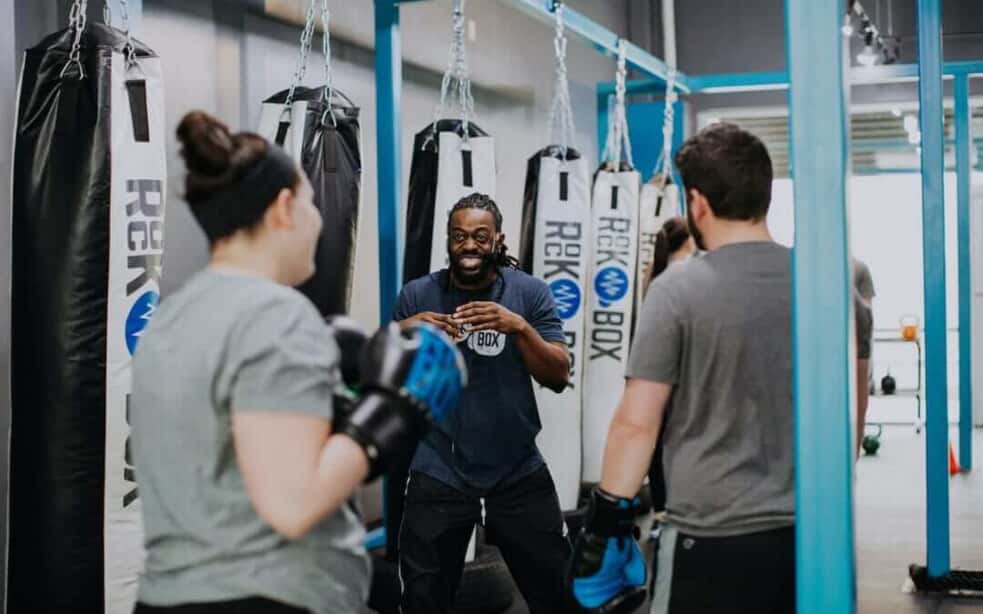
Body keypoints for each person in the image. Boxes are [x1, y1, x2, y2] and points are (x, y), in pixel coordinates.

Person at [129, 111, 463, 614]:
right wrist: (396, 408)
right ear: (284, 207)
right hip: (265, 597)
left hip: (169, 596)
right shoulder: (276, 315)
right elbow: (293, 504)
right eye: (311, 202)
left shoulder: (170, 318)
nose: (318, 220)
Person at [569, 123, 796, 614]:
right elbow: (852, 412)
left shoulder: (677, 290)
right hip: (811, 533)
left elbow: (636, 423)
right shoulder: (824, 283)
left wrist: (605, 520)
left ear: (697, 203)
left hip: (708, 532)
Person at [393, 192, 572, 614]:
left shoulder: (529, 293)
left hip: (516, 469)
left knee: (559, 595)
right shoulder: (418, 296)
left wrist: (521, 329)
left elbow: (558, 376)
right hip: (438, 469)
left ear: (497, 239)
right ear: (448, 240)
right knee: (423, 601)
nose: (469, 245)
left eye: (479, 236)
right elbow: (386, 380)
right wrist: (403, 332)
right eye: (459, 236)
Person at [640, 216, 694, 514]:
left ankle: (662, 512)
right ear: (690, 241)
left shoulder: (656, 280)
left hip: (661, 381)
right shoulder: (683, 278)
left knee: (659, 442)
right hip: (679, 380)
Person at [854, 258, 876, 456]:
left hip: (858, 345)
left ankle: (855, 450)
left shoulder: (860, 268)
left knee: (859, 403)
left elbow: (867, 311)